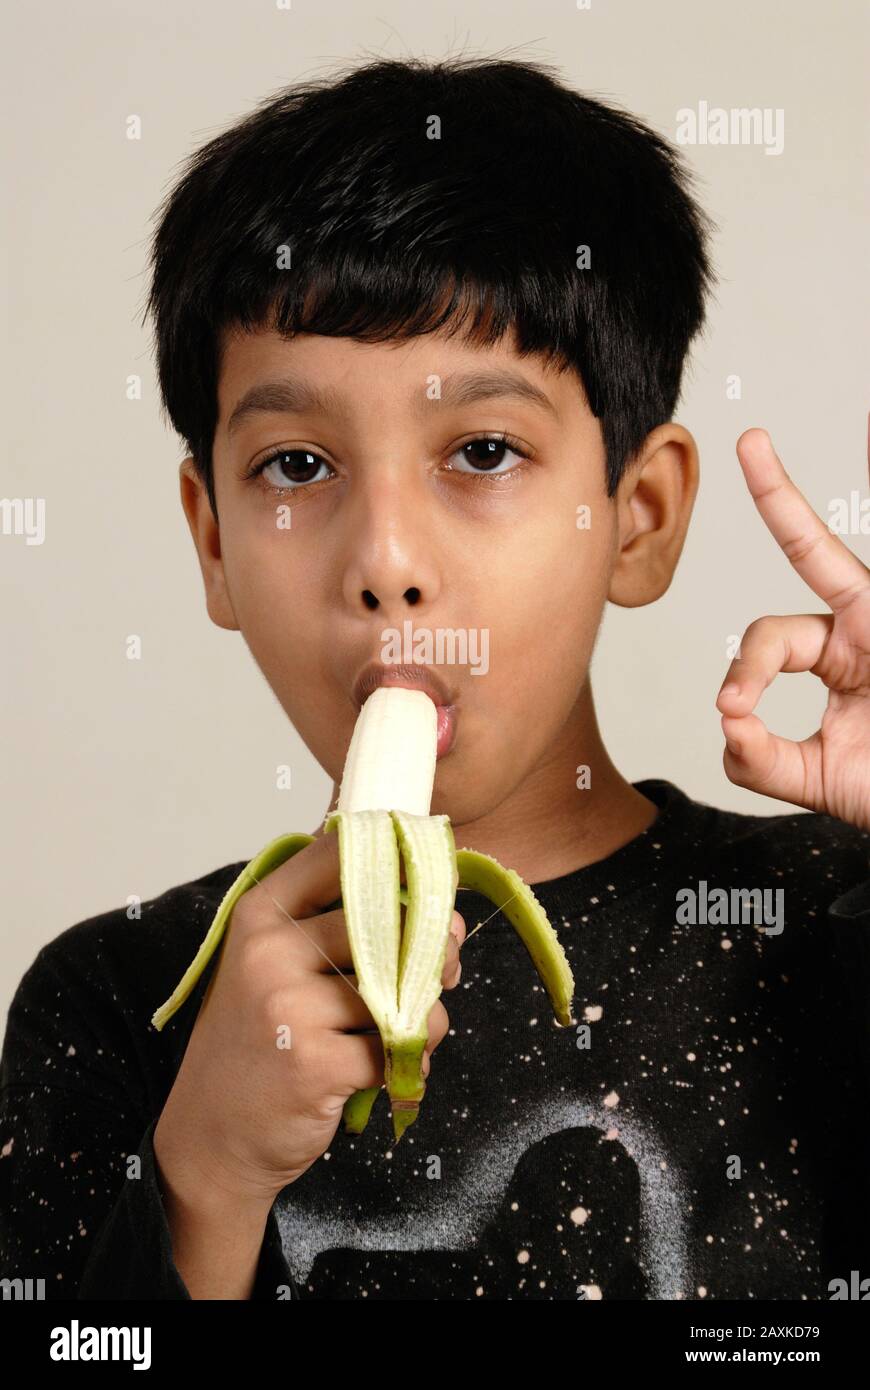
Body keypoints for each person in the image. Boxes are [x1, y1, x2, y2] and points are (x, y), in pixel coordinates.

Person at [2, 54, 868, 1302]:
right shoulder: (119, 1002)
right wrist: (202, 1180)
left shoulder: (829, 923)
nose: (388, 563)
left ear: (639, 516)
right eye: (297, 466)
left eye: (481, 448)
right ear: (213, 545)